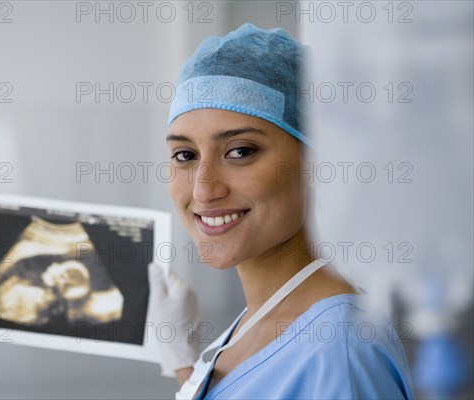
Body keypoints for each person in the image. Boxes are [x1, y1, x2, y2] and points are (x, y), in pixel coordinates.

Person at [148, 23, 415, 399]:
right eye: (185, 155)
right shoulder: (264, 316)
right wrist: (184, 366)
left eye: (240, 151)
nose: (203, 190)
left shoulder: (340, 352)